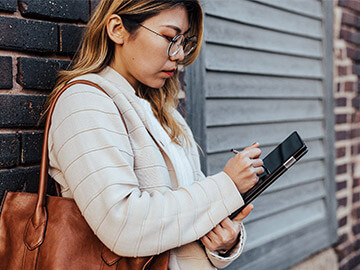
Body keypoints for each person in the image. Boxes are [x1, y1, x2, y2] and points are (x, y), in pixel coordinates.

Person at [46, 0, 264, 269]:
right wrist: (226, 186)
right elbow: (123, 225)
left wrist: (223, 241)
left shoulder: (165, 114)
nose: (179, 54)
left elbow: (192, 208)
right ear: (117, 29)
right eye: (170, 38)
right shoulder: (84, 100)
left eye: (183, 41)